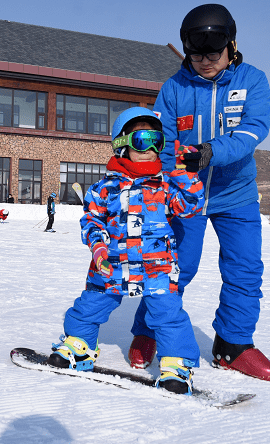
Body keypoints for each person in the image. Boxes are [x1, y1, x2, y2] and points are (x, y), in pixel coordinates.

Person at [128, 3, 270, 382]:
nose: (205, 61)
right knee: (177, 267)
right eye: (196, 54)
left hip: (237, 194)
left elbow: (252, 130)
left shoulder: (252, 80)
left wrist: (210, 152)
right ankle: (148, 330)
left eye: (214, 53)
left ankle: (233, 343)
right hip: (185, 194)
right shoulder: (175, 88)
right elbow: (163, 145)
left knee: (245, 270)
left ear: (231, 45)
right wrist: (155, 186)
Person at [47, 108, 205, 394]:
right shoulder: (103, 189)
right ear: (122, 145)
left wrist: (186, 174)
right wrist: (97, 247)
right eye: (142, 141)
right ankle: (80, 344)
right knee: (90, 305)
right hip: (111, 263)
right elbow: (92, 220)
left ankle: (177, 364)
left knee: (168, 314)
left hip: (156, 265)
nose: (151, 149)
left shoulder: (166, 185)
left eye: (157, 141)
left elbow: (189, 207)